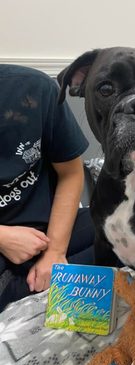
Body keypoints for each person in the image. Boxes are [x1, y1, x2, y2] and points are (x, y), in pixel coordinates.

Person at [0, 64, 95, 312]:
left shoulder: (37, 88)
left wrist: (54, 252)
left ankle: (33, 284)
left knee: (124, 228)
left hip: (47, 232)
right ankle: (28, 290)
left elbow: (71, 173)